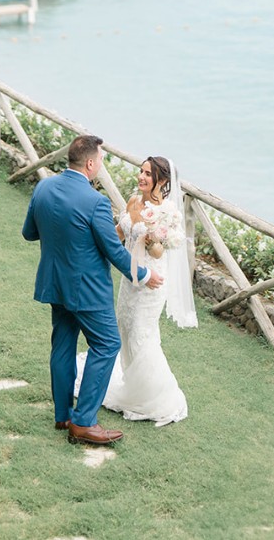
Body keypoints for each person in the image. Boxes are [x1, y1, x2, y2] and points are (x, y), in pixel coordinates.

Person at [22, 133, 164, 446]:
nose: (100, 164)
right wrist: (143, 273)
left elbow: (29, 232)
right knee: (107, 344)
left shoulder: (43, 186)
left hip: (54, 283)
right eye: (100, 159)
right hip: (87, 291)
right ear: (90, 163)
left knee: (62, 345)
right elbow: (114, 251)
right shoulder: (95, 202)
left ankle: (63, 415)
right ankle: (83, 422)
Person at [93, 156, 196, 425]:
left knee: (141, 333)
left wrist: (152, 238)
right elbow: (119, 233)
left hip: (152, 282)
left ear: (161, 181)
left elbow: (160, 251)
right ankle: (131, 384)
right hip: (129, 281)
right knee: (124, 328)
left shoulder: (168, 213)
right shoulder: (132, 202)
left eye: (148, 174)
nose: (141, 176)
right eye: (141, 171)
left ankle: (153, 397)